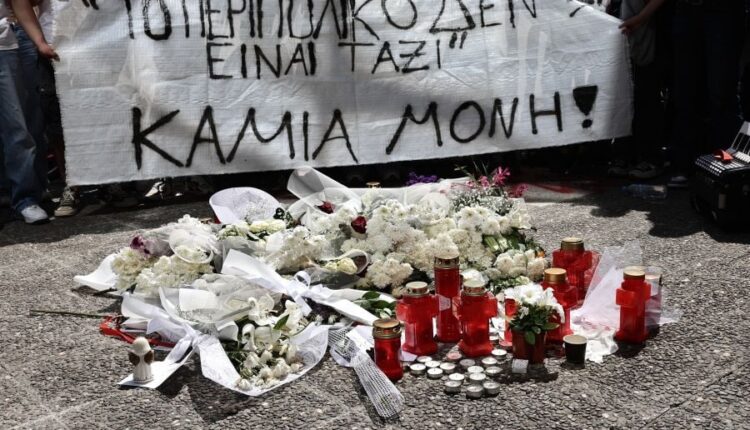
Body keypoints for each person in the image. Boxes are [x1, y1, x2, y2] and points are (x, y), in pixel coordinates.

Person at [624, 0, 746, 188]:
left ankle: (726, 172)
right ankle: (688, 166)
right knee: (686, 93)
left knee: (721, 94)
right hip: (688, 11)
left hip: (722, 10)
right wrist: (643, 16)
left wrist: (643, 16)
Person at [0, 0, 57, 224]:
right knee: (16, 126)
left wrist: (40, 42)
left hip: (6, 45)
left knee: (20, 126)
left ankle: (27, 197)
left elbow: (21, 2)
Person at [613, 0, 669, 180]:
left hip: (648, 25)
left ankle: (649, 158)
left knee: (646, 95)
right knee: (625, 96)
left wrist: (641, 17)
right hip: (628, 19)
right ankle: (626, 155)